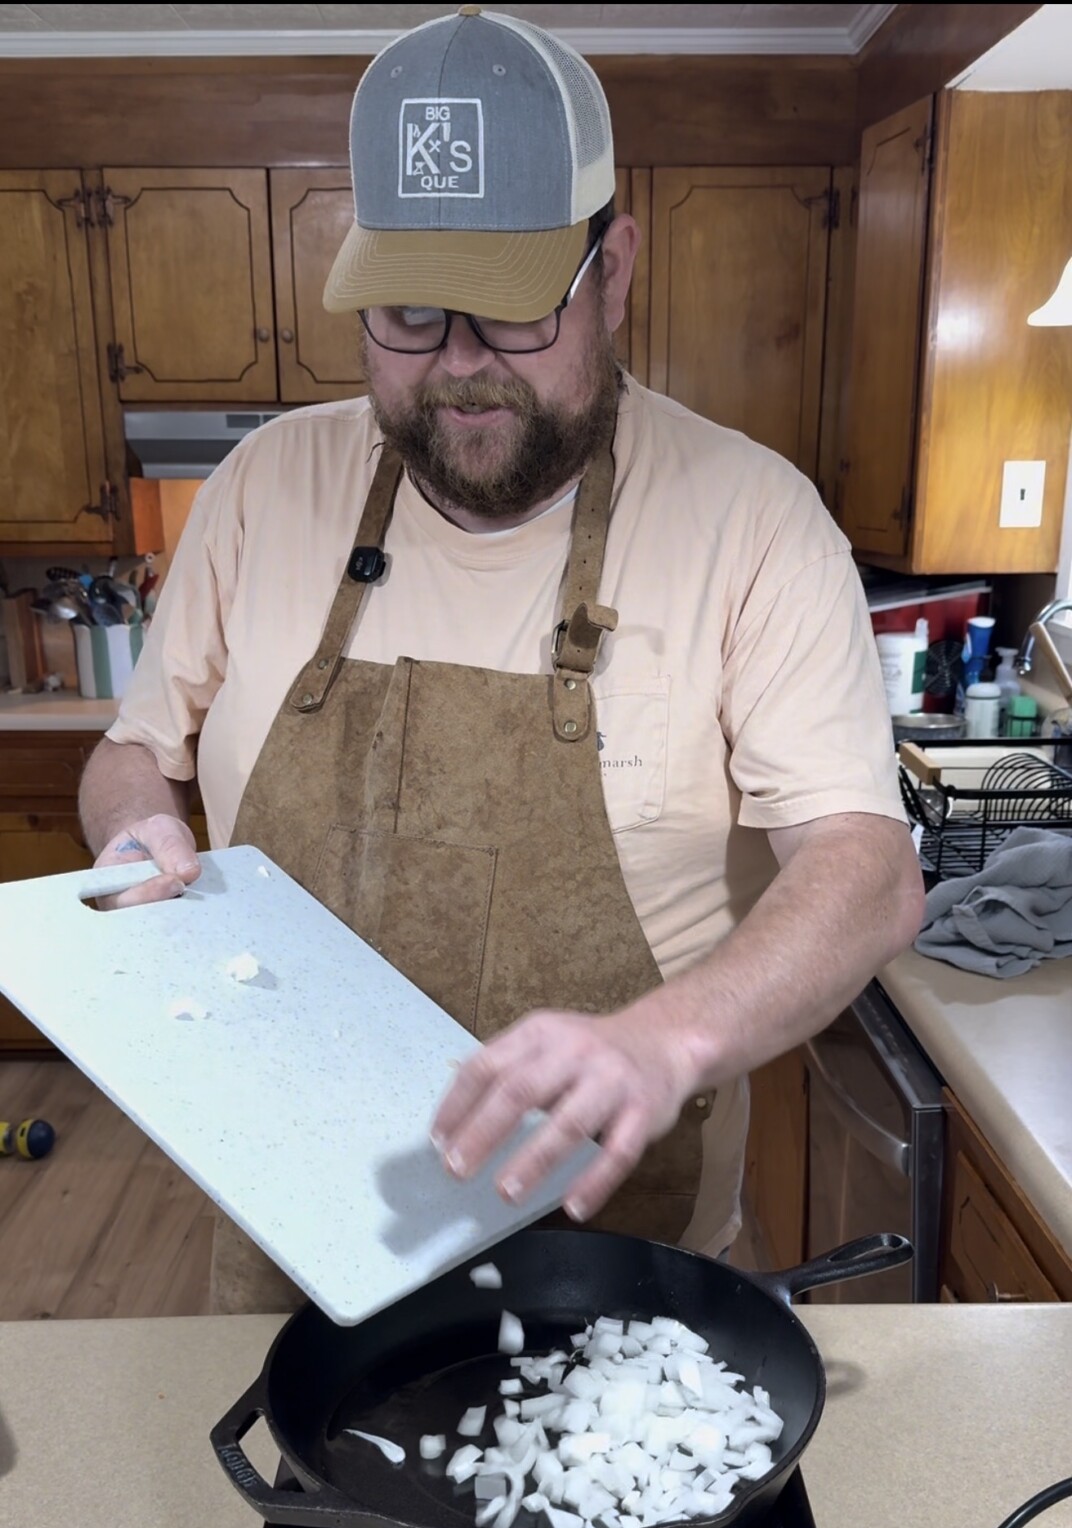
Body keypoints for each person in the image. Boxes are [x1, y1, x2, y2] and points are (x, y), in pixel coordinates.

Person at [78, 6, 923, 1312]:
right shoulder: (262, 489)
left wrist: (664, 1041)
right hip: (292, 1236)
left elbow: (866, 872)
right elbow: (137, 750)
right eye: (410, 311)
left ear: (615, 270)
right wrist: (135, 829)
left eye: (517, 307)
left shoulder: (753, 519)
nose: (462, 366)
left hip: (621, 1265)